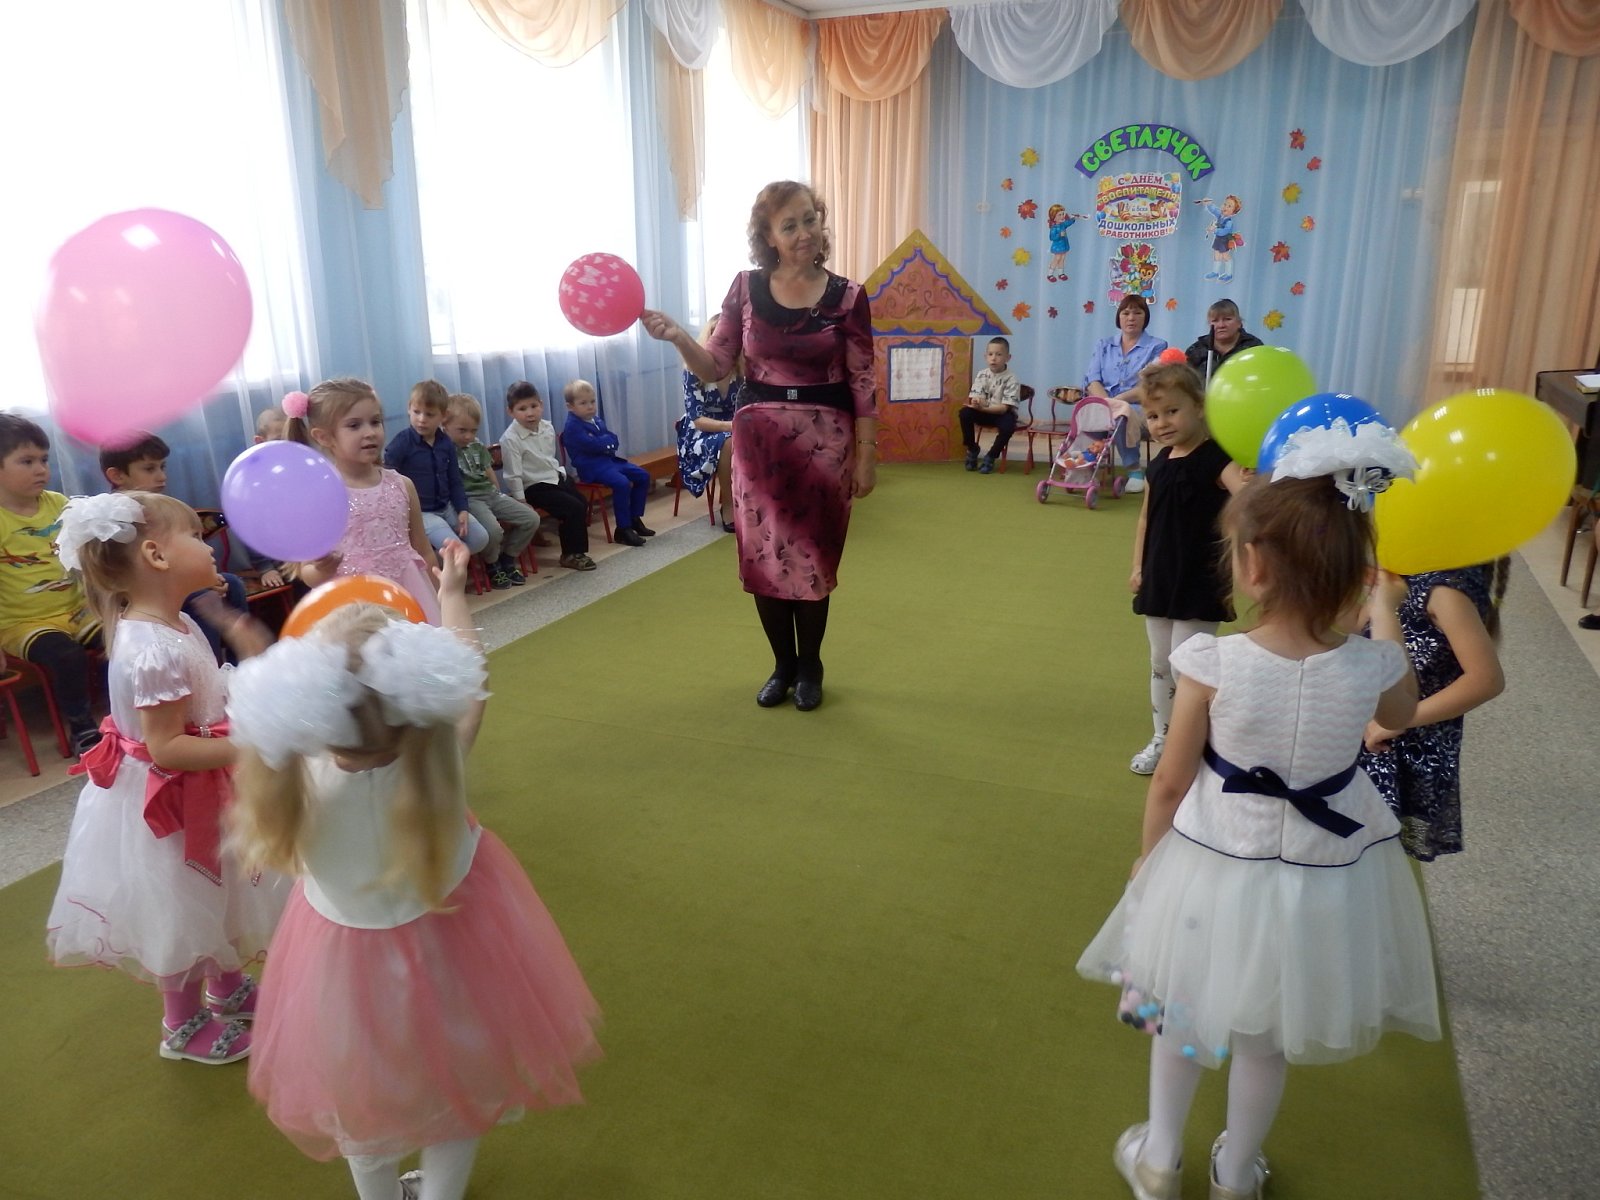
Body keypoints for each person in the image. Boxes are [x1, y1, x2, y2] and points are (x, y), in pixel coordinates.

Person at [1077, 424, 1439, 1200]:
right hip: (1319, 879)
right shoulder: (1373, 665)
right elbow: (1403, 714)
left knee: (1180, 1015)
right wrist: (1383, 611)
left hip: (1210, 866)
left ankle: (1159, 1158)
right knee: (1264, 1037)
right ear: (1355, 571)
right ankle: (1237, 1173)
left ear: (1252, 565)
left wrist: (1148, 862)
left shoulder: (1213, 661)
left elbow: (1171, 782)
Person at [227, 541, 601, 1200]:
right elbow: (470, 677)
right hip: (457, 951)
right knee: (460, 1081)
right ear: (422, 695)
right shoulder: (441, 760)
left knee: (361, 1096)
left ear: (305, 707)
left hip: (341, 966)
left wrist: (264, 663)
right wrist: (451, 593)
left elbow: (277, 741)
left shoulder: (294, 785)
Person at [45, 491, 284, 1065]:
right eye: (196, 537)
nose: (208, 545)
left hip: (203, 785)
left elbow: (204, 701)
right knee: (181, 904)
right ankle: (180, 1023)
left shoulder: (177, 624)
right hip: (170, 806)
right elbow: (167, 748)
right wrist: (254, 743)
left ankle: (226, 985)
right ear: (156, 555)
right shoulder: (151, 648)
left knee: (220, 890)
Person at [642, 179, 877, 712]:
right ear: (768, 237)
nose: (803, 232)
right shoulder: (745, 289)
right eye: (788, 225)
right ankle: (782, 666)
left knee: (812, 561)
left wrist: (867, 454)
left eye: (809, 219)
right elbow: (715, 365)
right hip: (758, 447)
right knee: (765, 560)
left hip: (825, 446)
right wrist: (678, 336)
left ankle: (810, 666)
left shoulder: (849, 297)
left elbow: (863, 381)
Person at [1127, 362, 1248, 776]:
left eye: (1172, 411)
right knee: (1160, 662)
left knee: (1188, 667)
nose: (1162, 423)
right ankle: (1162, 737)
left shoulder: (1216, 458)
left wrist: (1252, 476)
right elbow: (1146, 519)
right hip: (1160, 576)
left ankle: (1196, 742)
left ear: (1199, 406)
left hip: (1200, 578)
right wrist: (1138, 566)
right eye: (1153, 415)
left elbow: (1248, 499)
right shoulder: (1159, 463)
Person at [1358, 561, 1507, 861]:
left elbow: (1486, 680)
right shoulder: (1402, 576)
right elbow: (1356, 631)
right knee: (1370, 849)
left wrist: (1400, 719)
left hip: (1403, 745)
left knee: (1383, 853)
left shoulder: (1443, 590)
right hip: (1375, 733)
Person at [287, 379, 443, 624]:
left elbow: (424, 550)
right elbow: (306, 571)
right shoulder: (320, 495)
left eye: (375, 421)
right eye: (354, 425)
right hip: (355, 608)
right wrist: (320, 570)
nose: (370, 432)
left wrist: (441, 598)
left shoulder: (403, 485)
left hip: (410, 595)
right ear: (324, 437)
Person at [100, 432, 252, 666]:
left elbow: (177, 558)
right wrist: (199, 583)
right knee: (204, 597)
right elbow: (140, 574)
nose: (162, 476)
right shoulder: (115, 518)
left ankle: (242, 666)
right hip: (141, 596)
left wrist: (205, 576)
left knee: (233, 584)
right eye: (149, 469)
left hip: (170, 583)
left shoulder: (157, 508)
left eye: (162, 467)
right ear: (117, 475)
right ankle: (206, 667)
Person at [0, 413, 104, 754]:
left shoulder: (59, 504)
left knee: (124, 635)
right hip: (23, 624)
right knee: (66, 655)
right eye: (26, 461)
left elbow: (85, 555)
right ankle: (82, 727)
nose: (40, 469)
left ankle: (131, 713)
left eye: (44, 459)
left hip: (77, 611)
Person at [384, 379, 491, 558]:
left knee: (481, 538)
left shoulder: (446, 443)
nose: (421, 419)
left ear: (443, 416)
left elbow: (454, 480)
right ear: (409, 408)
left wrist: (462, 509)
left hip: (447, 507)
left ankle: (433, 564)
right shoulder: (402, 442)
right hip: (422, 513)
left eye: (429, 414)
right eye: (417, 412)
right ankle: (437, 568)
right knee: (456, 550)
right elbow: (387, 476)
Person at [443, 391, 538, 589]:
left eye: (473, 431)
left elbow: (488, 470)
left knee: (531, 519)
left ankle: (508, 558)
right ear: (445, 424)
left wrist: (497, 491)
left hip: (491, 494)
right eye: (462, 430)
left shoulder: (476, 445)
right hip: (470, 499)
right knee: (493, 531)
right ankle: (492, 564)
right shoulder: (444, 449)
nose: (468, 436)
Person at [500, 382, 596, 572]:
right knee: (572, 508)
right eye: (522, 409)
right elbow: (513, 474)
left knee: (581, 503)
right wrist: (521, 500)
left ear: (541, 405)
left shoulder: (547, 427)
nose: (530, 413)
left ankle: (575, 547)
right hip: (534, 486)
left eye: (534, 406)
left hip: (553, 477)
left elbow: (548, 458)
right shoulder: (510, 439)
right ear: (511, 412)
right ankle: (571, 554)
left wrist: (560, 476)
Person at [1084, 294, 1168, 493]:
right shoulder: (1104, 345)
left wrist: (1116, 402)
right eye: (1126, 313)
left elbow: (1150, 386)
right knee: (1085, 413)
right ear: (1119, 317)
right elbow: (1092, 379)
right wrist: (1106, 403)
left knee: (1122, 414)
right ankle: (1086, 464)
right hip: (1104, 403)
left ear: (1145, 318)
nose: (1131, 318)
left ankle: (1134, 470)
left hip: (1139, 407)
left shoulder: (1157, 346)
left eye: (1137, 313)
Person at [560, 379, 654, 548]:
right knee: (622, 483)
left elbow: (613, 439)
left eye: (592, 401)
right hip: (592, 468)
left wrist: (604, 442)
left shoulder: (595, 420)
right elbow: (593, 445)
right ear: (570, 406)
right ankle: (623, 529)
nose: (590, 406)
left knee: (643, 476)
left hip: (609, 461)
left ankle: (634, 518)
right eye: (583, 403)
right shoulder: (573, 427)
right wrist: (605, 441)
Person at [676, 317, 739, 531]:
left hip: (734, 425)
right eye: (716, 336)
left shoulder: (742, 368)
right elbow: (696, 418)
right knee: (728, 442)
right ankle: (728, 506)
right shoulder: (693, 370)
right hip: (699, 432)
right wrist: (730, 426)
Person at [961, 336, 1023, 474]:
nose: (993, 358)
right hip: (984, 411)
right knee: (965, 413)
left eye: (999, 354)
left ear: (1008, 358)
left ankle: (991, 456)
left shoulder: (1012, 378)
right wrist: (977, 402)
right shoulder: (982, 375)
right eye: (990, 354)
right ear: (985, 357)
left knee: (1008, 426)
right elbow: (978, 397)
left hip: (1001, 413)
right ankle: (972, 448)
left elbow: (1004, 408)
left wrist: (983, 407)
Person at [1183, 299, 1263, 385]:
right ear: (1209, 324)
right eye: (1215, 321)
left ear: (1239, 323)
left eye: (1227, 319)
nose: (1221, 325)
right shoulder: (1196, 350)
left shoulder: (1254, 347)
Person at [1198, 194, 1243, 282]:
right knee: (1216, 254)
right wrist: (1209, 204)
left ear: (1234, 212)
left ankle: (1229, 274)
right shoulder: (1221, 216)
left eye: (1229, 206)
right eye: (1225, 204)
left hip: (1224, 240)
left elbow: (1225, 231)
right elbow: (1215, 210)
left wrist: (1214, 230)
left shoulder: (1229, 222)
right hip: (1218, 239)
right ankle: (1215, 272)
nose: (1225, 207)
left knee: (1225, 256)